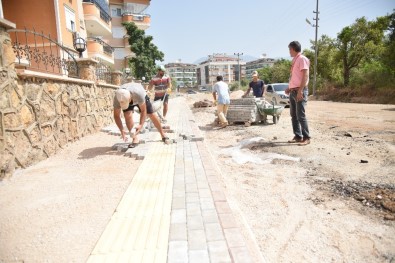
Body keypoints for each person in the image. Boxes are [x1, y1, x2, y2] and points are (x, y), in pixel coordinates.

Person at [113, 82, 168, 146]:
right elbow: (116, 116)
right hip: (127, 96)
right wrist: (121, 130)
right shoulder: (118, 98)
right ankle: (134, 138)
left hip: (140, 96)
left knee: (151, 113)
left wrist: (141, 125)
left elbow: (143, 110)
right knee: (127, 114)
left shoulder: (138, 93)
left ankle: (162, 134)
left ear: (130, 97)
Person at [285, 41, 311, 146]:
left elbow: (305, 75)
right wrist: (289, 87)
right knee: (294, 115)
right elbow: (296, 76)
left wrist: (300, 91)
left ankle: (306, 137)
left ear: (294, 49)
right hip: (293, 90)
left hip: (300, 91)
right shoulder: (295, 60)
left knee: (301, 115)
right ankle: (298, 136)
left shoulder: (302, 59)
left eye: (290, 49)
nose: (289, 51)